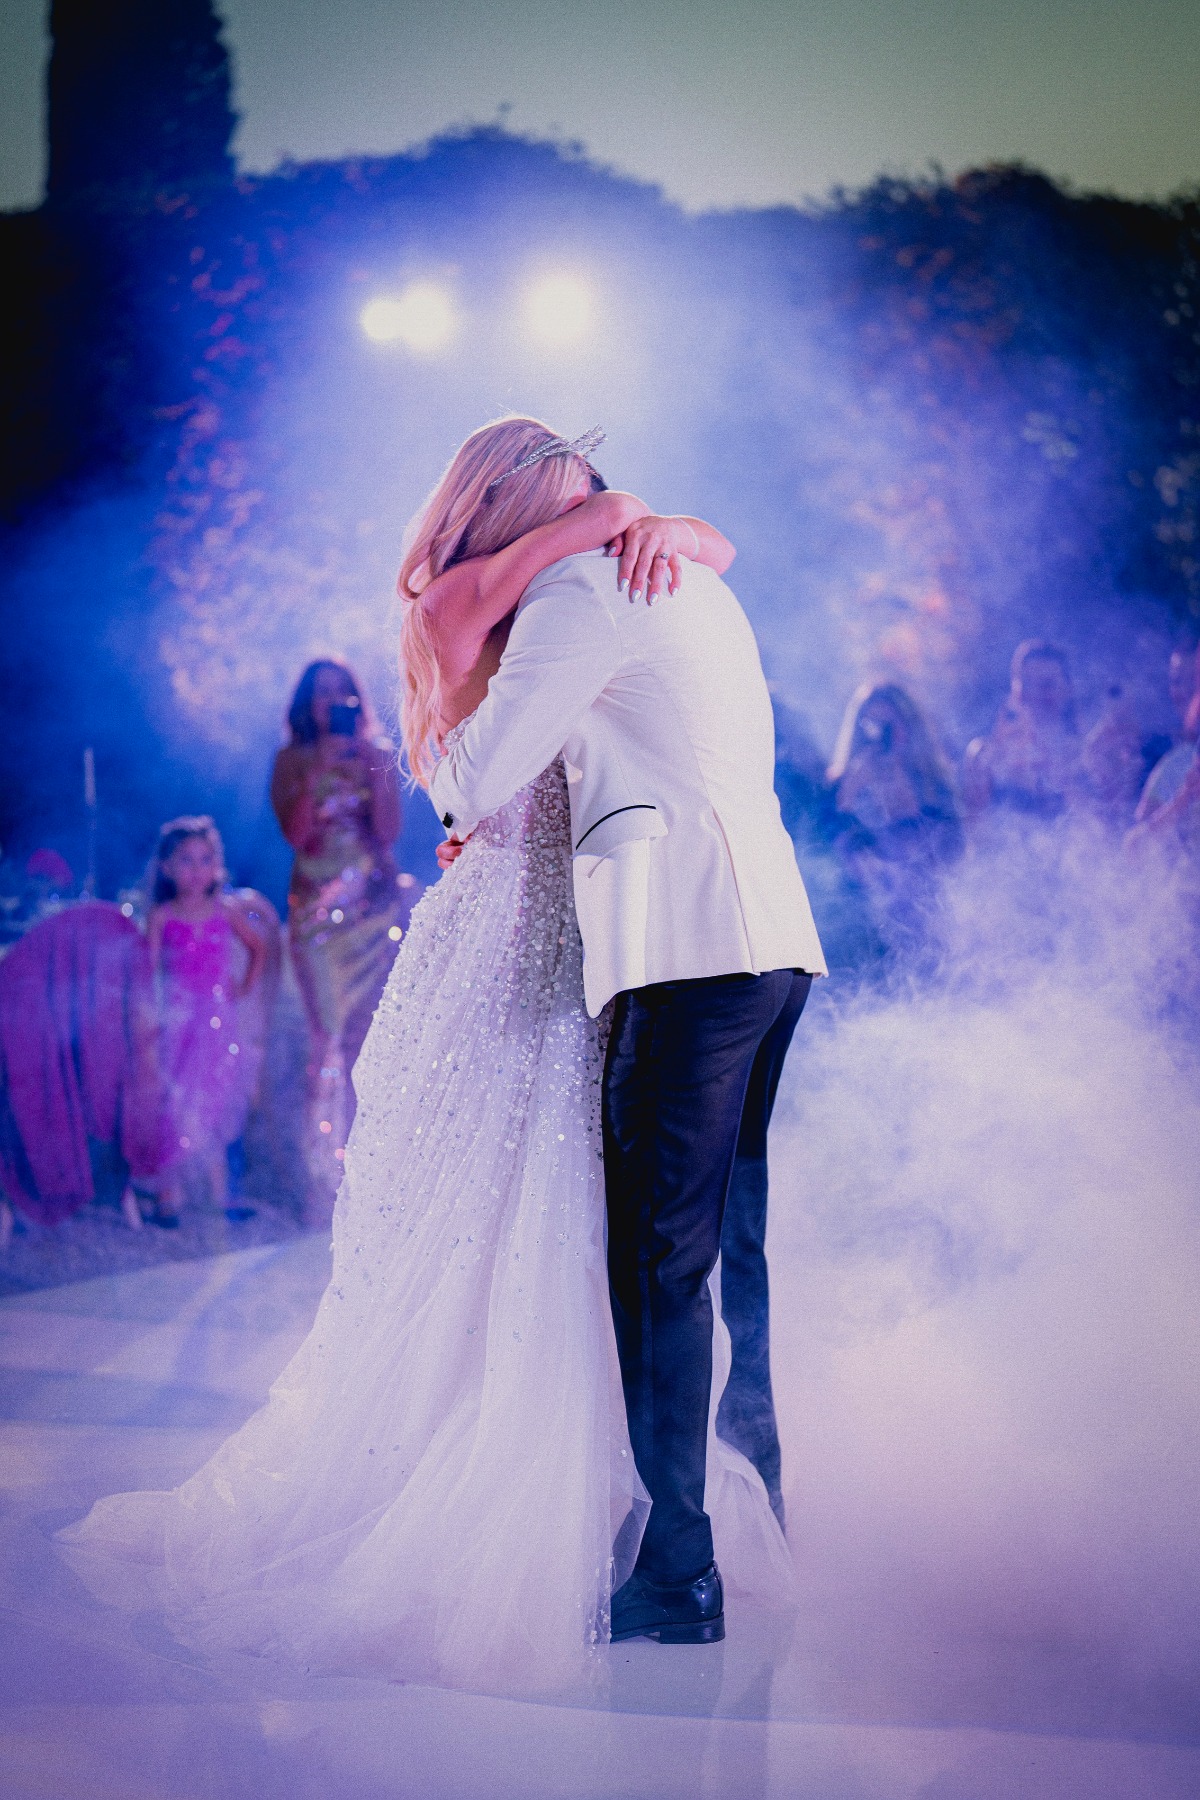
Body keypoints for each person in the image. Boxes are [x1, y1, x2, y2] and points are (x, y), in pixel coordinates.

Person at [60, 418, 798, 1697]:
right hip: (522, 913)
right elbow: (477, 775)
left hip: (616, 926)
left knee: (604, 1231)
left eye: (594, 504)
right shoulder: (462, 593)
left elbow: (660, 578)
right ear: (506, 506)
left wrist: (671, 526)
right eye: (566, 503)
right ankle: (645, 1538)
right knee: (564, 1223)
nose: (600, 520)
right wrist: (622, 513)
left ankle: (661, 1523)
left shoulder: (580, 598)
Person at [431, 433, 827, 1646]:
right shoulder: (682, 573)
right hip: (769, 942)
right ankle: (753, 1511)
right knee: (727, 1255)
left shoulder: (580, 597)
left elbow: (473, 779)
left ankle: (679, 1571)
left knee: (660, 1268)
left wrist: (451, 674)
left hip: (688, 950)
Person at [270, 660, 404, 1213]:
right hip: (316, 920)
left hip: (374, 909)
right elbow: (296, 835)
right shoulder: (291, 760)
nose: (334, 701)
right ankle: (319, 1175)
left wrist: (375, 772)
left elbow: (390, 833)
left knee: (367, 1043)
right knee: (324, 1038)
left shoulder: (376, 754)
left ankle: (368, 1170)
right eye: (323, 693)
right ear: (307, 704)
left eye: (343, 691)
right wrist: (316, 771)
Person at [144, 817, 266, 1224]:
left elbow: (258, 946)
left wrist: (244, 985)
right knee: (173, 1102)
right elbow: (147, 972)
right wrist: (149, 1017)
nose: (197, 870)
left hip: (218, 1024)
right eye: (186, 860)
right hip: (178, 1024)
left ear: (217, 864)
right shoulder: (162, 916)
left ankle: (222, 1194)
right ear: (166, 867)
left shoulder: (224, 910)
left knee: (216, 1100)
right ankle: (168, 1195)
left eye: (205, 859)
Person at [826, 681, 962, 962]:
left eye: (889, 726)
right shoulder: (844, 782)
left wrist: (908, 806)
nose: (880, 737)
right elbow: (831, 850)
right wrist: (850, 793)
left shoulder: (934, 780)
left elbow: (952, 846)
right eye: (872, 726)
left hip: (926, 911)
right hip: (864, 919)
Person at [962, 640, 1081, 822]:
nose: (1033, 694)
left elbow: (1099, 829)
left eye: (1046, 685)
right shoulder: (984, 754)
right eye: (1025, 683)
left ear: (1067, 689)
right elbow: (974, 834)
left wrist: (1055, 774)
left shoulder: (1084, 753)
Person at [1134, 643, 1198, 824]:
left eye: (1194, 679)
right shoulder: (1176, 762)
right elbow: (1137, 845)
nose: (1184, 690)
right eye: (1177, 680)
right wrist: (1185, 796)